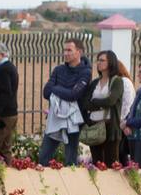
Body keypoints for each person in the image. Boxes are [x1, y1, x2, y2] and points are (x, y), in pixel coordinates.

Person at [38, 37, 89, 165]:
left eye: (69, 50)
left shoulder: (86, 72)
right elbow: (46, 92)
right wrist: (62, 91)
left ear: (79, 52)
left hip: (73, 121)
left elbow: (74, 95)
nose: (65, 53)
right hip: (55, 118)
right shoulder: (58, 70)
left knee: (70, 160)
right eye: (64, 50)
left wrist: (56, 88)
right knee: (44, 157)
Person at [86, 49, 131, 167]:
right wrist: (100, 104)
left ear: (110, 62)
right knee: (96, 164)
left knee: (111, 164)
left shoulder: (117, 81)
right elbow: (86, 103)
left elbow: (111, 100)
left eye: (102, 60)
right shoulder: (95, 83)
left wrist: (95, 102)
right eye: (98, 60)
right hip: (95, 126)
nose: (98, 63)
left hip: (110, 128)